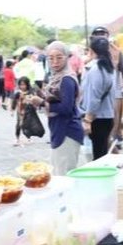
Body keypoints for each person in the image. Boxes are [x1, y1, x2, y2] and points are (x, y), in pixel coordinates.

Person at [31, 41, 84, 175]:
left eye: (59, 57)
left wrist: (42, 102)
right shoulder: (56, 77)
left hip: (67, 130)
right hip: (59, 128)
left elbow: (66, 108)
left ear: (67, 57)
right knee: (59, 171)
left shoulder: (66, 79)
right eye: (51, 58)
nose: (55, 62)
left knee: (64, 175)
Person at [81, 37, 116, 160]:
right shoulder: (110, 68)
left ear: (91, 50)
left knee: (98, 156)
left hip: (97, 118)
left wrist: (87, 120)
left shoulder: (96, 69)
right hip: (107, 116)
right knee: (102, 152)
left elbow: (94, 97)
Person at [11, 76, 39, 146]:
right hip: (20, 111)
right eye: (21, 85)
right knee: (18, 125)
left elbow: (34, 101)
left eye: (24, 84)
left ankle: (28, 137)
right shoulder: (18, 93)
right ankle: (17, 138)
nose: (22, 86)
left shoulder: (30, 92)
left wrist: (34, 106)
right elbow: (14, 101)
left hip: (28, 111)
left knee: (27, 125)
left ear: (27, 84)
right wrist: (12, 110)